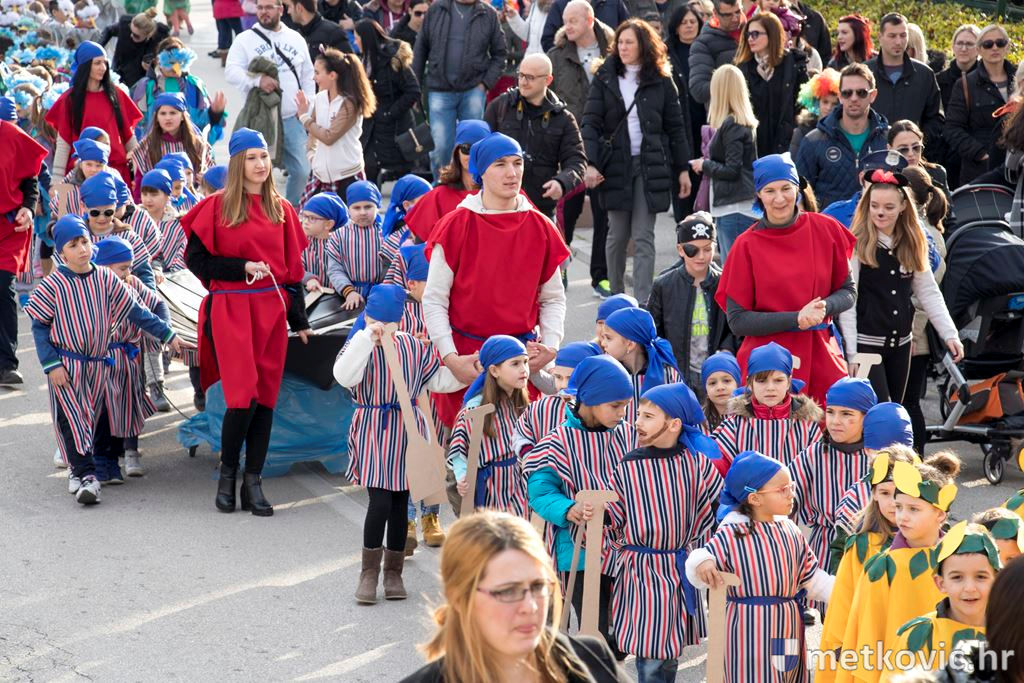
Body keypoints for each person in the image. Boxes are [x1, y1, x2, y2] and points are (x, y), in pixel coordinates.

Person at [180, 128, 313, 517]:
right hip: (233, 309)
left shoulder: (281, 209)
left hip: (271, 311)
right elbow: (197, 262)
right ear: (238, 163)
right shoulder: (216, 207)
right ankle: (227, 475)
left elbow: (292, 274)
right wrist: (241, 268)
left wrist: (299, 320)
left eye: (264, 156)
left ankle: (253, 481)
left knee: (266, 397)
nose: (260, 164)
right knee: (242, 396)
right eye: (251, 157)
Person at [26, 216, 187, 505]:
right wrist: (51, 364)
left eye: (84, 242)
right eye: (73, 245)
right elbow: (39, 326)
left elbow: (136, 310)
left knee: (90, 420)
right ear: (62, 252)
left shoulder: (105, 278)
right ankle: (88, 476)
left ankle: (80, 470)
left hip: (98, 364)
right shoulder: (54, 284)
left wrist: (167, 334)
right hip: (67, 365)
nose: (82, 249)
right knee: (71, 419)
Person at [423, 132, 569, 429]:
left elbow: (553, 297)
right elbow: (435, 299)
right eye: (500, 164)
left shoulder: (540, 226)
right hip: (469, 359)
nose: (512, 173)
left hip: (520, 358)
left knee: (523, 443)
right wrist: (451, 358)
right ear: (480, 171)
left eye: (517, 163)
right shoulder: (456, 225)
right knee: (466, 446)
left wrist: (551, 346)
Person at [332, 284, 466, 603]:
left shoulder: (412, 347)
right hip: (373, 428)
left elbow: (437, 379)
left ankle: (394, 572)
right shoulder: (359, 344)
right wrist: (366, 338)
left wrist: (468, 372)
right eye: (373, 321)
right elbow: (343, 376)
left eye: (386, 324)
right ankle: (368, 573)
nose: (380, 329)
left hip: (407, 431)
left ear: (399, 321)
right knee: (379, 501)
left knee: (399, 503)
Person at [398, 511, 629, 683]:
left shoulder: (593, 661)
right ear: (460, 598)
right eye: (508, 591)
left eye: (538, 586)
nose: (530, 607)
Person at [717, 154, 855, 406]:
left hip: (821, 353)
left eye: (785, 188)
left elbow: (848, 291)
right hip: (766, 366)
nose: (779, 198)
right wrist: (796, 318)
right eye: (770, 191)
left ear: (798, 189)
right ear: (759, 195)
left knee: (833, 423)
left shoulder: (826, 229)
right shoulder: (745, 245)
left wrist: (824, 307)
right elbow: (737, 320)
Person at [686, 450, 834, 683]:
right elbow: (702, 556)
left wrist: (843, 592)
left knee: (785, 674)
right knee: (750, 676)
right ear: (754, 498)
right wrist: (702, 561)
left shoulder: (791, 531)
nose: (791, 494)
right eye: (782, 489)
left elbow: (811, 577)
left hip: (786, 626)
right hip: (747, 630)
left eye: (791, 487)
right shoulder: (733, 532)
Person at [607, 382, 723, 681]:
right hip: (641, 570)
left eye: (648, 417)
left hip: (678, 565)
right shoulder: (628, 466)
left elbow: (718, 508)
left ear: (673, 424)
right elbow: (614, 516)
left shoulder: (696, 464)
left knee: (668, 650)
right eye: (638, 415)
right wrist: (598, 516)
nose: (637, 422)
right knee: (652, 650)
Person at [523, 354, 634, 651]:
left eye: (625, 405)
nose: (622, 413)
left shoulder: (625, 435)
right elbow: (540, 491)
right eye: (615, 405)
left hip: (617, 547)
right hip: (576, 550)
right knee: (587, 626)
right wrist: (567, 508)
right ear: (591, 399)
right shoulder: (558, 442)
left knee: (612, 627)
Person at [581, 18, 691, 305]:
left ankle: (643, 303)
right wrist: (591, 163)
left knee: (643, 236)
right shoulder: (605, 77)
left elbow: (676, 127)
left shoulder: (661, 79)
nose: (623, 47)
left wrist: (682, 169)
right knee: (617, 236)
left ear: (644, 45)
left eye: (629, 42)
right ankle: (617, 299)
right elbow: (590, 124)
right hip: (615, 166)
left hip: (649, 165)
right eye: (620, 42)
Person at [839, 169, 963, 404]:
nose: (880, 212)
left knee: (896, 409)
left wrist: (949, 334)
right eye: (874, 206)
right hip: (867, 345)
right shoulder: (858, 243)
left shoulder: (912, 241)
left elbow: (928, 291)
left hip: (901, 346)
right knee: (879, 412)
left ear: (903, 206)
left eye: (889, 207)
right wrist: (852, 352)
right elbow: (849, 302)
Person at [836, 454, 962, 682]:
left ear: (940, 514)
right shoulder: (881, 567)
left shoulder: (958, 562)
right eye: (899, 506)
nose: (902, 516)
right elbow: (868, 639)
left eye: (913, 509)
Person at [815, 447, 912, 683]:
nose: (893, 502)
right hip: (869, 647)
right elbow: (843, 602)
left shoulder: (934, 545)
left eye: (900, 492)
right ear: (874, 493)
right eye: (885, 492)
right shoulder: (862, 546)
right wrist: (841, 646)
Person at [547, 0, 614, 298]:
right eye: (565, 21)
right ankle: (560, 264)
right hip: (570, 145)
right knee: (567, 211)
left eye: (573, 21)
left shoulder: (613, 51)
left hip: (605, 144)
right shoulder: (557, 55)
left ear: (589, 19)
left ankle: (601, 276)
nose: (567, 27)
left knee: (604, 213)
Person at [225, 0, 315, 207]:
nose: (263, 12)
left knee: (302, 170)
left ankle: (290, 211)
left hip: (291, 118)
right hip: (260, 118)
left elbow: (308, 75)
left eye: (268, 7)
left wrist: (307, 106)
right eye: (260, 8)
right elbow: (231, 71)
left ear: (280, 9)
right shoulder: (244, 39)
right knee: (255, 172)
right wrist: (257, 81)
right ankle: (257, 211)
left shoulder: (295, 38)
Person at [92, 236, 165, 481]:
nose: (128, 273)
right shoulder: (91, 288)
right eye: (122, 268)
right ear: (103, 267)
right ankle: (99, 461)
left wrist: (164, 328)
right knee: (102, 412)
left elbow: (157, 305)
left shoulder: (132, 282)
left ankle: (117, 458)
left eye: (130, 267)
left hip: (128, 359)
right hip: (101, 360)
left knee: (126, 410)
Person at [484, 53, 585, 223]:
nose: (523, 82)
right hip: (499, 206)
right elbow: (480, 150)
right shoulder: (500, 107)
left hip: (541, 209)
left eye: (530, 77)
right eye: (521, 75)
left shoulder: (564, 119)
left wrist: (562, 182)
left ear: (548, 80)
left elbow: (577, 162)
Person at [412, 0, 508, 179]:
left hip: (473, 89)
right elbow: (420, 49)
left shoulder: (488, 14)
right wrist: (414, 87)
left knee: (472, 146)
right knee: (441, 148)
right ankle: (442, 186)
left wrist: (485, 84)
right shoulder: (436, 9)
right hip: (439, 88)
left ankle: (471, 186)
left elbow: (500, 54)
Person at [889, 522, 998, 673]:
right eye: (957, 577)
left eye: (981, 577)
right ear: (941, 583)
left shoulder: (1013, 633)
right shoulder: (918, 637)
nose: (969, 588)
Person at [448, 335, 531, 517]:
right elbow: (459, 448)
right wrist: (462, 476)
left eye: (525, 362)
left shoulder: (520, 405)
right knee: (494, 532)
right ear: (494, 370)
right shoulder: (475, 409)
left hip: (518, 483)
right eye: (515, 364)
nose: (523, 369)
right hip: (489, 487)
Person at [646, 212, 730, 390]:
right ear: (680, 250)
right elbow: (653, 331)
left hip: (717, 372)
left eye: (707, 249)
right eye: (693, 250)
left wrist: (727, 349)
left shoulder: (724, 283)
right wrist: (665, 362)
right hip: (676, 372)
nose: (701, 256)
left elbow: (733, 326)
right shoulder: (664, 285)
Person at [711, 340, 823, 468]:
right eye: (761, 381)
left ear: (788, 382)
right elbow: (718, 468)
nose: (770, 388)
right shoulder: (735, 425)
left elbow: (819, 468)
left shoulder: (807, 426)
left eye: (778, 380)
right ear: (750, 384)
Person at [46, 41, 143, 186]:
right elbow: (63, 142)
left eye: (105, 63)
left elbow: (129, 136)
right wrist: (56, 180)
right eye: (97, 63)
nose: (103, 68)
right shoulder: (69, 99)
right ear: (85, 66)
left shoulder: (117, 94)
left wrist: (141, 171)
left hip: (116, 174)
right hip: (81, 175)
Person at [796, 63, 889, 211]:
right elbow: (801, 195)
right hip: (828, 223)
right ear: (840, 96)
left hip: (877, 222)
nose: (854, 98)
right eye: (847, 93)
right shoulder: (813, 141)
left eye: (861, 92)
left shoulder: (888, 139)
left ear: (872, 95)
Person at [902, 165, 949, 453]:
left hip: (913, 337)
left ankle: (916, 461)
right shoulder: (914, 230)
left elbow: (923, 297)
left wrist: (911, 334)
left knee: (908, 404)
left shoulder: (926, 236)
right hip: (905, 333)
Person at [690, 63, 756, 260]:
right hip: (736, 206)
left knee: (733, 268)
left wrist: (704, 165)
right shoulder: (740, 122)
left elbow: (732, 169)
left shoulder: (732, 124)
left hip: (733, 208)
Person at [0, 106, 45, 386]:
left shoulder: (11, 134)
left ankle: (7, 364)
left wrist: (28, 207)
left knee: (2, 285)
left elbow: (31, 178)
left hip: (9, 226)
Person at [296, 47, 375, 205]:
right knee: (310, 217)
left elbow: (329, 137)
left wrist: (304, 117)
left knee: (351, 219)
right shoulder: (320, 98)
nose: (313, 78)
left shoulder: (350, 103)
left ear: (332, 75)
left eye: (317, 73)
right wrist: (312, 155)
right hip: (320, 176)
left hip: (347, 174)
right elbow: (313, 133)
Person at [944, 24, 1016, 186]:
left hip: (1016, 165)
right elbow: (952, 128)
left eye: (1000, 43)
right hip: (979, 170)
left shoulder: (1019, 78)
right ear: (979, 49)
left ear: (1007, 47)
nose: (994, 48)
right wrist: (981, 154)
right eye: (988, 44)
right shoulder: (965, 84)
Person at [864, 13, 943, 162]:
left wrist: (915, 142)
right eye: (892, 36)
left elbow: (935, 118)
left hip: (913, 159)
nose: (898, 42)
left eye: (903, 35)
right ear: (880, 37)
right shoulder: (865, 72)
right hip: (873, 156)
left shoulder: (924, 74)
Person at [355, 19, 421, 184]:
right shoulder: (363, 62)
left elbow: (413, 90)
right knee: (369, 167)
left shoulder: (394, 61)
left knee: (401, 172)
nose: (355, 42)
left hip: (395, 127)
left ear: (366, 39)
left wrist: (389, 113)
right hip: (372, 128)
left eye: (357, 38)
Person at [732, 10, 806, 158]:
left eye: (755, 34)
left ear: (772, 34)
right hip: (754, 147)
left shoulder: (793, 64)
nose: (750, 39)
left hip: (787, 145)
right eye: (748, 34)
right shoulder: (742, 69)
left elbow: (803, 104)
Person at [403, 119, 490, 243]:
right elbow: (420, 246)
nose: (472, 155)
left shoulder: (501, 195)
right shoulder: (438, 197)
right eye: (466, 148)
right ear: (456, 152)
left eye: (479, 149)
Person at [131, 37, 228, 146]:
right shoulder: (146, 87)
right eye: (171, 62)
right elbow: (135, 124)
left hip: (188, 148)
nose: (176, 67)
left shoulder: (193, 85)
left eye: (181, 62)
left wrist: (214, 113)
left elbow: (202, 124)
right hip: (154, 148)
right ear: (159, 61)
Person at [130, 92, 215, 198]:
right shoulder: (146, 146)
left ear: (183, 116)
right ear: (156, 117)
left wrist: (206, 178)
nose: (168, 118)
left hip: (193, 201)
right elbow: (139, 184)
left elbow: (213, 179)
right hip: (159, 202)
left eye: (173, 113)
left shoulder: (197, 144)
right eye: (163, 113)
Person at [665, 4, 705, 221]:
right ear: (676, 27)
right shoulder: (666, 52)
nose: (689, 26)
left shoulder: (706, 48)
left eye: (693, 22)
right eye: (684, 22)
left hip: (704, 122)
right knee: (682, 184)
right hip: (679, 124)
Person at [326, 180, 384, 306]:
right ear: (349, 209)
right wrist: (349, 292)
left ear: (377, 207)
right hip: (349, 297)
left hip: (382, 295)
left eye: (368, 206)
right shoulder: (339, 236)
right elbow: (335, 269)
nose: (362, 212)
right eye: (356, 208)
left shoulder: (386, 234)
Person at [686, 0, 742, 105]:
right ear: (715, 13)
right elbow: (699, 89)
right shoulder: (703, 44)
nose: (735, 18)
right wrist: (733, 81)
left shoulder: (753, 32)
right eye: (728, 15)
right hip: (726, 110)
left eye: (738, 12)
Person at [99, 9, 171, 88]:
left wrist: (153, 66)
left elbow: (169, 61)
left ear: (149, 35)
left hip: (141, 79)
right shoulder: (125, 27)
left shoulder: (160, 39)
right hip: (120, 68)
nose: (131, 36)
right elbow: (109, 30)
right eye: (131, 31)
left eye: (136, 36)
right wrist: (98, 49)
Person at [888, 119, 950, 200]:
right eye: (903, 149)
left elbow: (948, 207)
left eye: (916, 148)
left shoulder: (937, 173)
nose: (911, 153)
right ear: (889, 149)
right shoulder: (882, 177)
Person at [298, 191, 345, 293]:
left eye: (312, 218)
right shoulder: (301, 241)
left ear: (328, 224)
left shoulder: (339, 244)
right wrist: (309, 279)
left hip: (338, 295)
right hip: (310, 293)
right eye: (304, 216)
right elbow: (296, 266)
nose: (305, 222)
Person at [540, 0, 627, 53]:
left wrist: (614, 55)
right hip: (570, 69)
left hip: (608, 63)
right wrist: (565, 59)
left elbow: (627, 32)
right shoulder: (560, 5)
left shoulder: (614, 3)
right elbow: (548, 40)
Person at [791, 67, 840, 158]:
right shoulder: (803, 130)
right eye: (825, 102)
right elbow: (794, 160)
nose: (829, 107)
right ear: (817, 102)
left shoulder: (844, 130)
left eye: (834, 104)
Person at [284, 0, 352, 62]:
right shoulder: (297, 37)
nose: (288, 11)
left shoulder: (333, 32)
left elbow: (350, 64)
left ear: (299, 8)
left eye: (289, 6)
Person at [937, 24, 980, 111]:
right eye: (960, 43)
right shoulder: (938, 81)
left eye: (969, 44)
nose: (964, 49)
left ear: (979, 48)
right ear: (953, 47)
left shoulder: (988, 80)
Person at [700, 350, 738, 431]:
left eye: (726, 381)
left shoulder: (749, 418)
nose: (720, 387)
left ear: (738, 384)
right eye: (712, 383)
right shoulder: (698, 422)